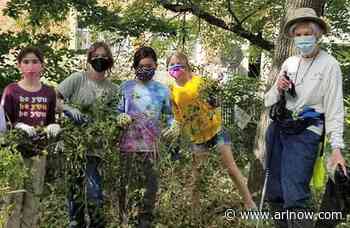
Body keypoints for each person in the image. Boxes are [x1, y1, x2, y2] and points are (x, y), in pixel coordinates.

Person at [264, 8, 347, 228]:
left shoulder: (330, 65)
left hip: (307, 132)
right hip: (281, 128)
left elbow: (335, 109)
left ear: (317, 34)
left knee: (294, 194)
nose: (302, 39)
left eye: (306, 34)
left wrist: (337, 148)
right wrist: (279, 88)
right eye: (298, 35)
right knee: (275, 191)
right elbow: (268, 100)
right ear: (292, 36)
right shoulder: (289, 63)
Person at [166, 52, 256, 214]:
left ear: (186, 65)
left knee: (231, 168)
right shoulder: (172, 91)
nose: (175, 67)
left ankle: (250, 205)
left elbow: (216, 100)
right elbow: (178, 116)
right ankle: (194, 213)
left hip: (216, 129)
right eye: (171, 64)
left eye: (178, 63)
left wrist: (214, 98)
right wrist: (176, 129)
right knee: (198, 174)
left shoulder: (200, 81)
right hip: (197, 137)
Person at [57, 41, 118, 228]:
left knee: (94, 191)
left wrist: (111, 126)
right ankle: (75, 222)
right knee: (74, 190)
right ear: (90, 59)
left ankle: (96, 223)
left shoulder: (112, 89)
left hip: (96, 147)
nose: (100, 60)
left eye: (104, 57)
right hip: (74, 145)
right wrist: (67, 108)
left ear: (110, 61)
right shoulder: (78, 79)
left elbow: (113, 116)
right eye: (96, 56)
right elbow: (56, 98)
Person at [116, 46, 179, 228]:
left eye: (149, 65)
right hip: (127, 146)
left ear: (156, 66)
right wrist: (119, 117)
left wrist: (173, 126)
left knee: (150, 187)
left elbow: (168, 115)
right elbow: (117, 110)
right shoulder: (125, 87)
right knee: (126, 186)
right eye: (142, 66)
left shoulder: (162, 90)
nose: (146, 69)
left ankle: (145, 221)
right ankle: (125, 220)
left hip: (152, 147)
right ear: (135, 67)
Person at [1, 46, 60, 228]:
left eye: (35, 61)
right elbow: (4, 124)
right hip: (15, 154)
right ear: (19, 65)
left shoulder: (49, 92)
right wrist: (19, 125)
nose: (31, 66)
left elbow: (51, 120)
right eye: (26, 62)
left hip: (38, 153)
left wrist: (54, 125)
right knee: (13, 199)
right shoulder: (11, 90)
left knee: (33, 200)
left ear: (42, 65)